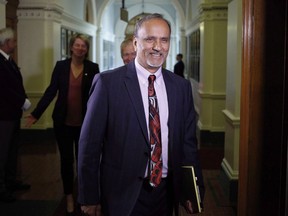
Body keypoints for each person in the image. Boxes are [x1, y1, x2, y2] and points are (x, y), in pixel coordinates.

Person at [78, 13, 204, 216]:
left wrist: (193, 190)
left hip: (166, 193)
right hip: (122, 194)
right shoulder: (107, 84)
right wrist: (89, 196)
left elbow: (188, 144)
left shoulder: (180, 87)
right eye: (150, 39)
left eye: (164, 40)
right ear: (136, 43)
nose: (158, 46)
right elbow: (89, 146)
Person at [25, 34, 99, 215]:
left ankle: (84, 195)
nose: (80, 48)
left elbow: (98, 95)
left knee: (83, 162)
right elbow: (51, 91)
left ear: (86, 49)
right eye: (77, 45)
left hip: (84, 125)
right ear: (71, 47)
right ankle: (68, 196)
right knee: (67, 161)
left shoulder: (92, 68)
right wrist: (36, 114)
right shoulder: (61, 66)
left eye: (84, 46)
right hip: (63, 123)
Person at [0, 27, 32, 202]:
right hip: (3, 115)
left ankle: (10, 181)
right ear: (6, 43)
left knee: (12, 151)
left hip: (12, 114)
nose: (15, 44)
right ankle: (1, 187)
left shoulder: (9, 60)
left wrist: (23, 99)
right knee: (2, 152)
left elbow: (15, 84)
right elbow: (4, 88)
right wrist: (22, 101)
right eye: (13, 41)